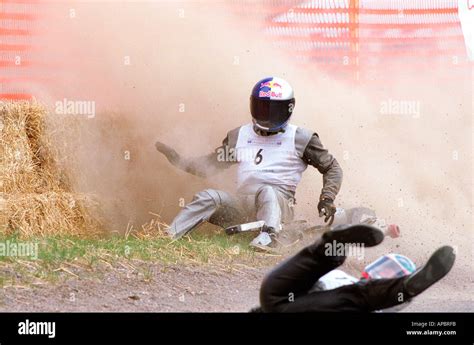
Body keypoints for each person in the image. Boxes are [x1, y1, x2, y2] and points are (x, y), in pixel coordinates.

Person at [155, 77, 343, 249]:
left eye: (274, 110)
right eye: (262, 108)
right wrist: (180, 161)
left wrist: (327, 198)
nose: (267, 116)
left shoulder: (301, 138)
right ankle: (169, 236)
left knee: (266, 190)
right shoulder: (239, 136)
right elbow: (210, 166)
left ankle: (270, 238)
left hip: (280, 205)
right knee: (208, 196)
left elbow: (332, 167)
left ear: (289, 109)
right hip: (242, 207)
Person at [255, 224, 455, 312]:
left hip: (287, 302)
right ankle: (334, 244)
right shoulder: (344, 280)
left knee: (361, 297)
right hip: (282, 302)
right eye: (383, 269)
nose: (379, 275)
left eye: (388, 275)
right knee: (316, 266)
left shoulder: (363, 297)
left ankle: (405, 288)